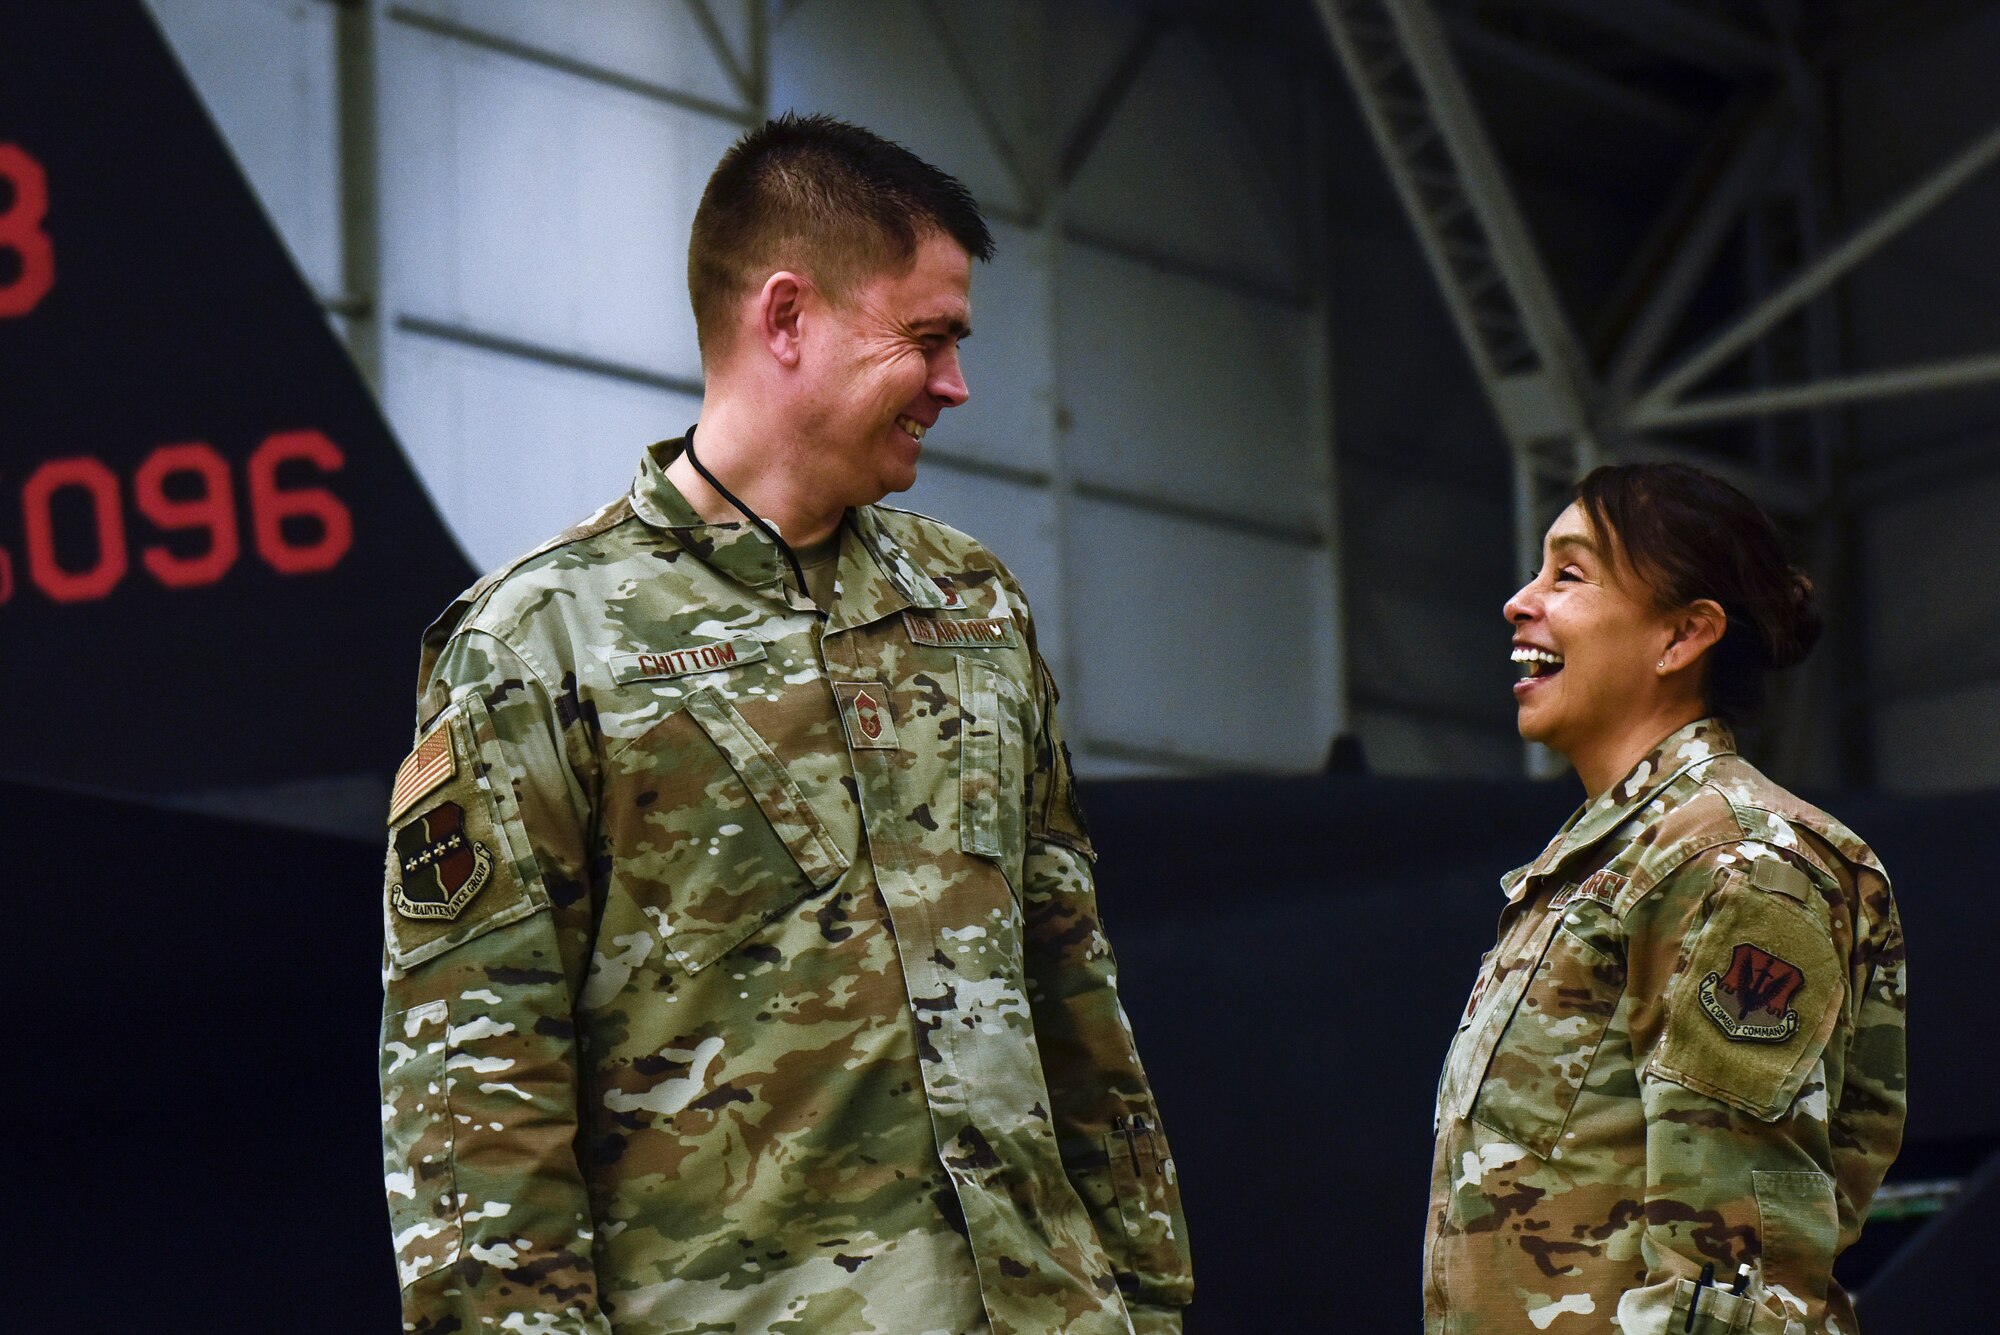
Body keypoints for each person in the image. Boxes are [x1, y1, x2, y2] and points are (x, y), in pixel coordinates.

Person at [376, 114, 1192, 1335]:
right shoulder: (536, 646)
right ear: (787, 316)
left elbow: (1070, 988)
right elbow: (475, 1112)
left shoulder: (970, 607)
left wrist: (1146, 1299)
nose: (956, 386)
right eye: (928, 340)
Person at [1425, 463, 1906, 1334]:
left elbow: (1732, 1266)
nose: (1518, 601)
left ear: (1683, 635)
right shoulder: (1606, 864)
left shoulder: (1733, 861)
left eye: (1568, 574)